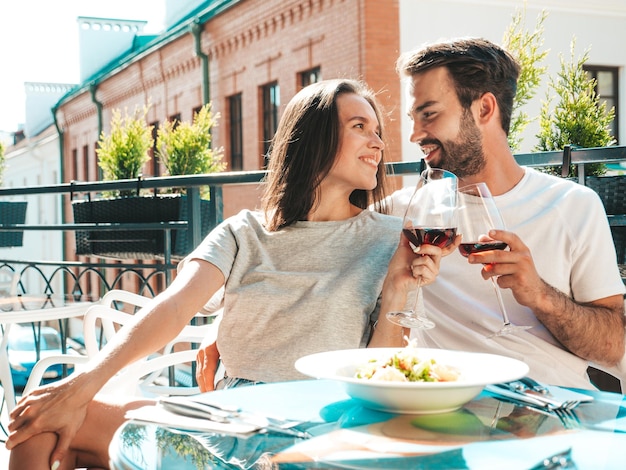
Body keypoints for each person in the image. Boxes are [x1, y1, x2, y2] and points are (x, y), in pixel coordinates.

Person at [6, 79, 448, 469]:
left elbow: (381, 372)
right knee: (37, 420)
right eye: (359, 127)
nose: (377, 143)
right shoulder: (244, 230)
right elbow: (176, 304)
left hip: (322, 425)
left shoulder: (394, 239)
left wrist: (395, 295)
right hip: (226, 422)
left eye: (378, 132)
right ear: (311, 136)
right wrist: (82, 384)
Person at [390, 37, 625, 390]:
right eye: (413, 118)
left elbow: (614, 348)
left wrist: (540, 295)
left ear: (484, 109)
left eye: (429, 114)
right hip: (446, 409)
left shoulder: (573, 205)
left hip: (553, 410)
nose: (414, 135)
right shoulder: (407, 214)